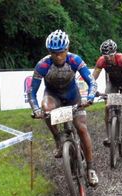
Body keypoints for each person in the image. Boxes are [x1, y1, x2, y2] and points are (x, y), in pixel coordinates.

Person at [28, 29, 98, 186]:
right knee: (46, 110)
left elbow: (91, 81)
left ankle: (90, 169)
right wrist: (36, 109)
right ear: (49, 52)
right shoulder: (43, 65)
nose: (58, 56)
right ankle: (58, 139)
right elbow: (31, 91)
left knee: (81, 128)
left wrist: (90, 97)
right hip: (53, 96)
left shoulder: (74, 60)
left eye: (61, 52)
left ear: (67, 49)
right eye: (54, 53)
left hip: (73, 97)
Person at [92, 39, 122, 146]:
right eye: (105, 56)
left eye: (109, 55)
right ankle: (109, 136)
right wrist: (92, 89)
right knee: (107, 107)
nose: (107, 58)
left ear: (114, 53)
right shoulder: (101, 61)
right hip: (113, 83)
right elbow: (93, 78)